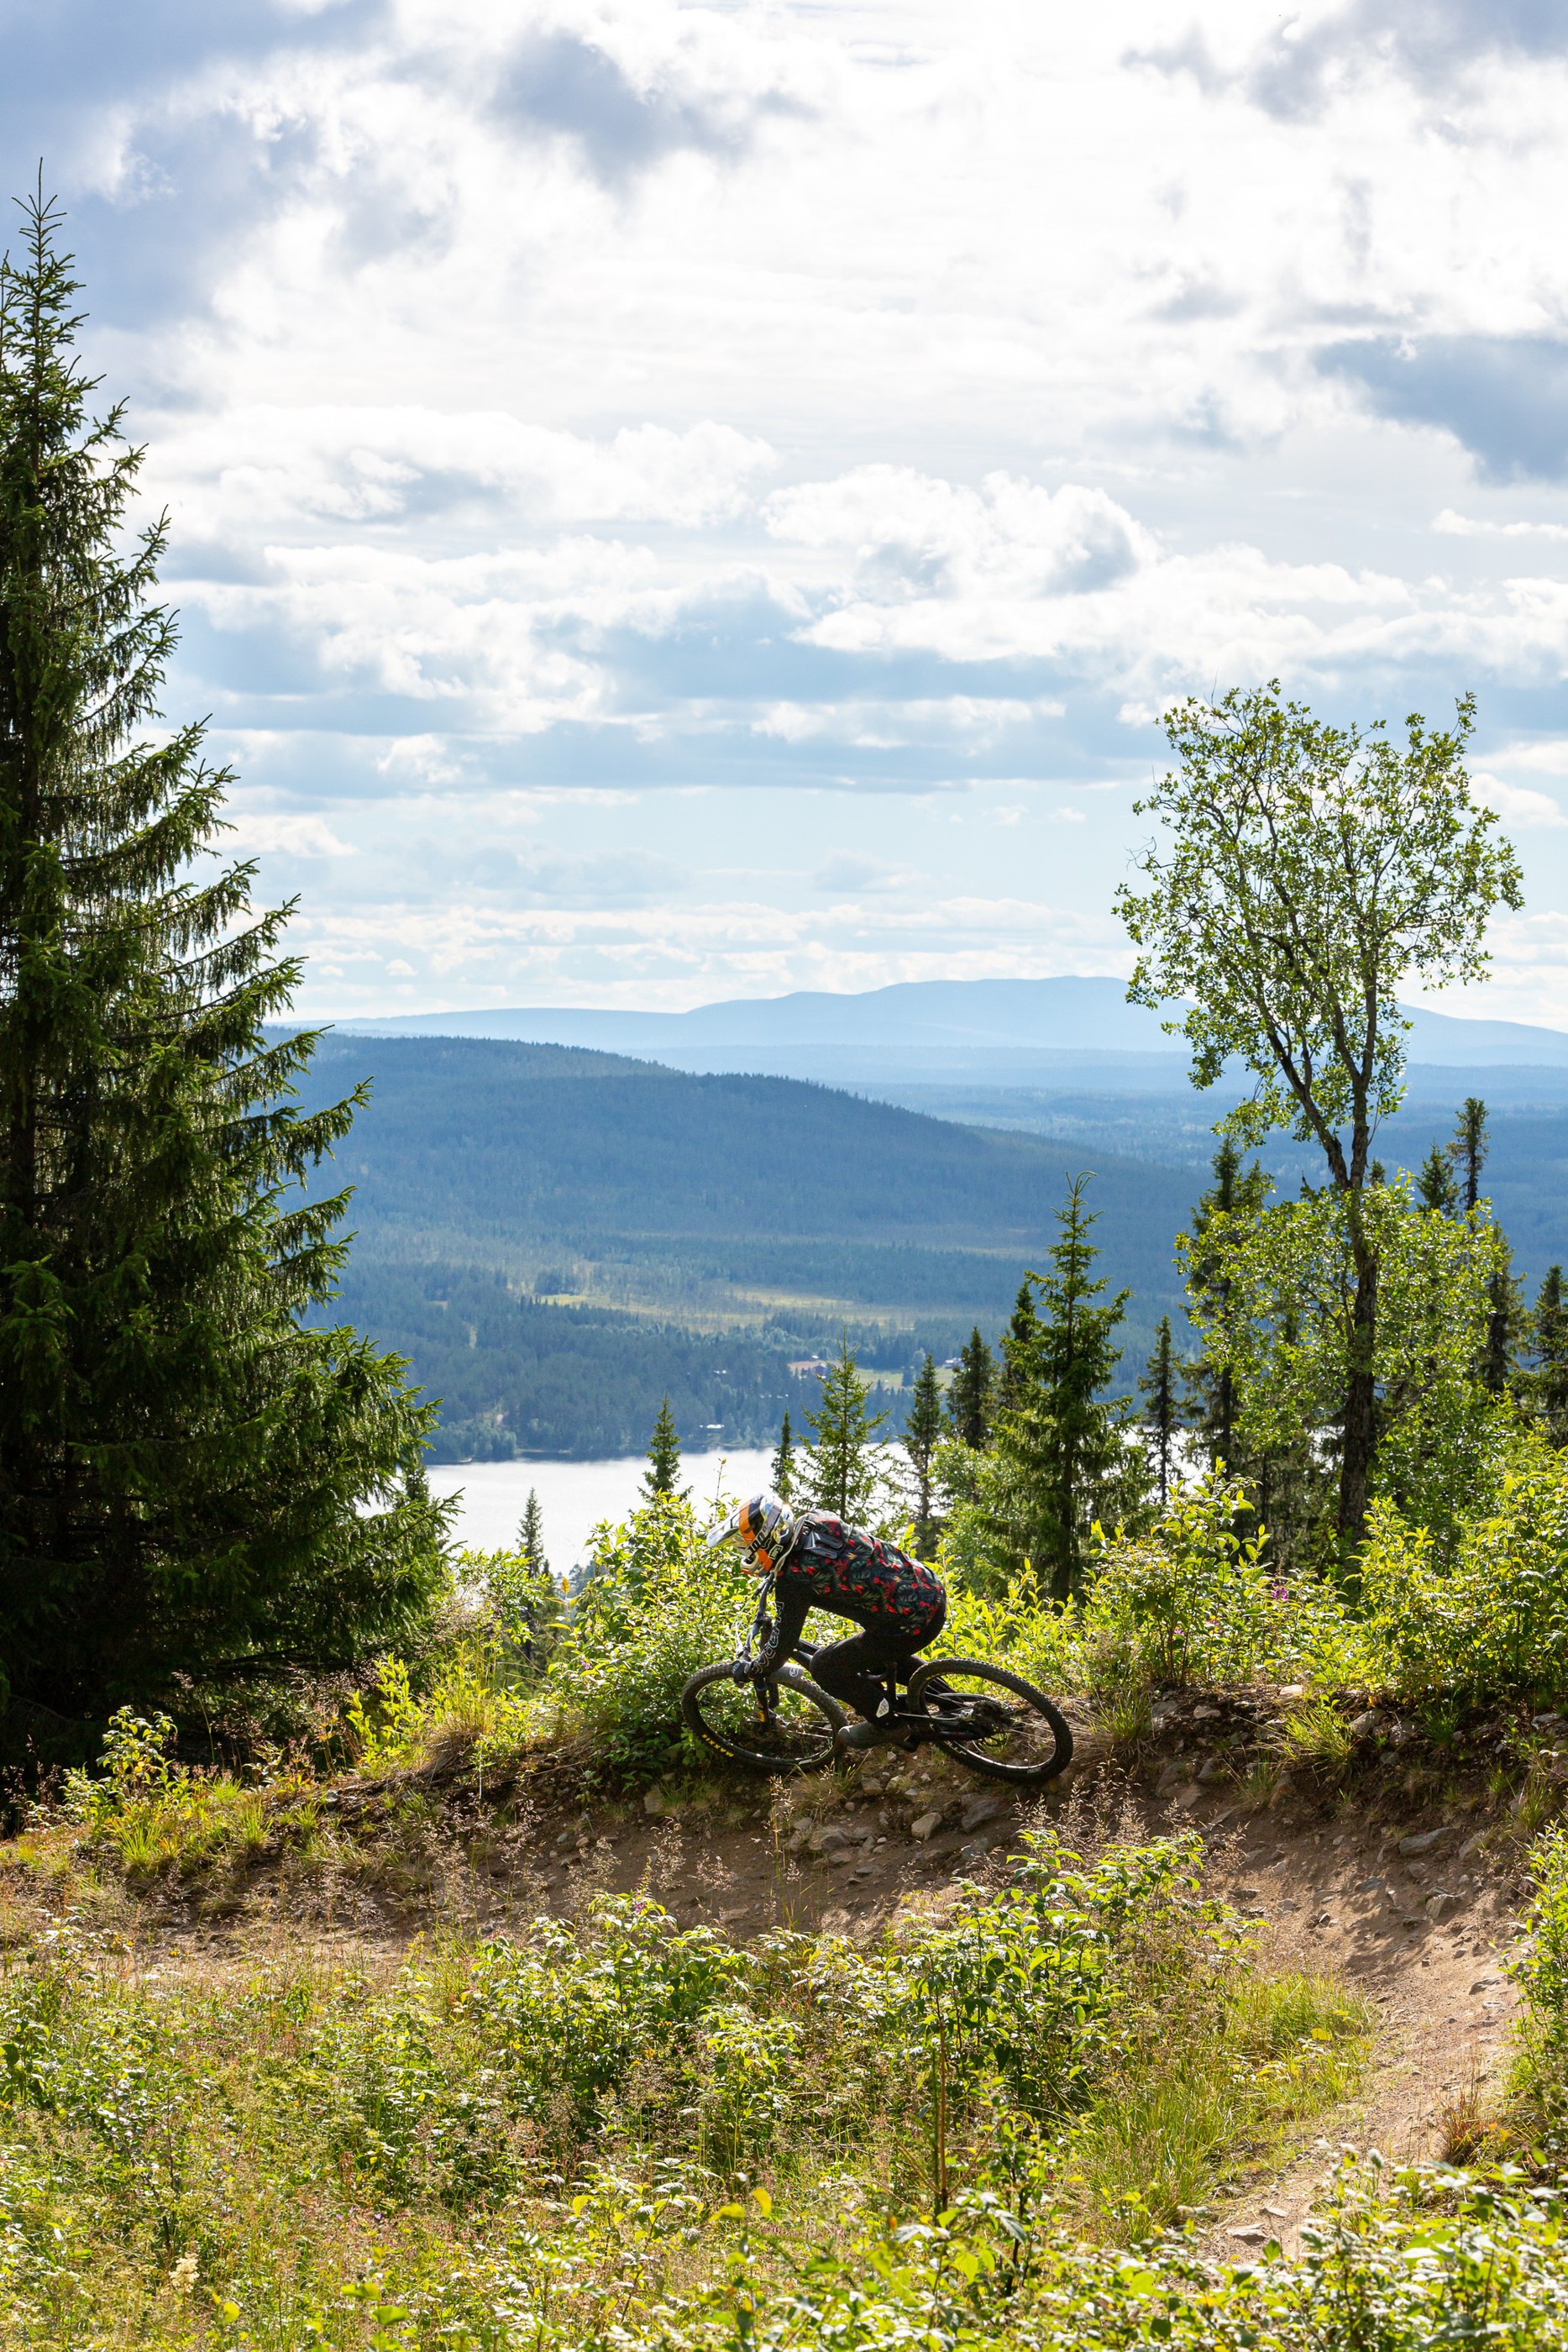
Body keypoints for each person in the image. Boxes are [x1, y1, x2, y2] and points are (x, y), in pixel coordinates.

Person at [705, 1490, 947, 1751]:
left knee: (825, 1667)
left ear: (767, 1542)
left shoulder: (794, 1579)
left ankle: (889, 1725)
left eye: (744, 1546)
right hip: (928, 1589)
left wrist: (754, 1669)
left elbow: (781, 1648)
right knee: (877, 1650)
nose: (743, 1553)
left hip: (911, 1622)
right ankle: (954, 1703)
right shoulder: (817, 1520)